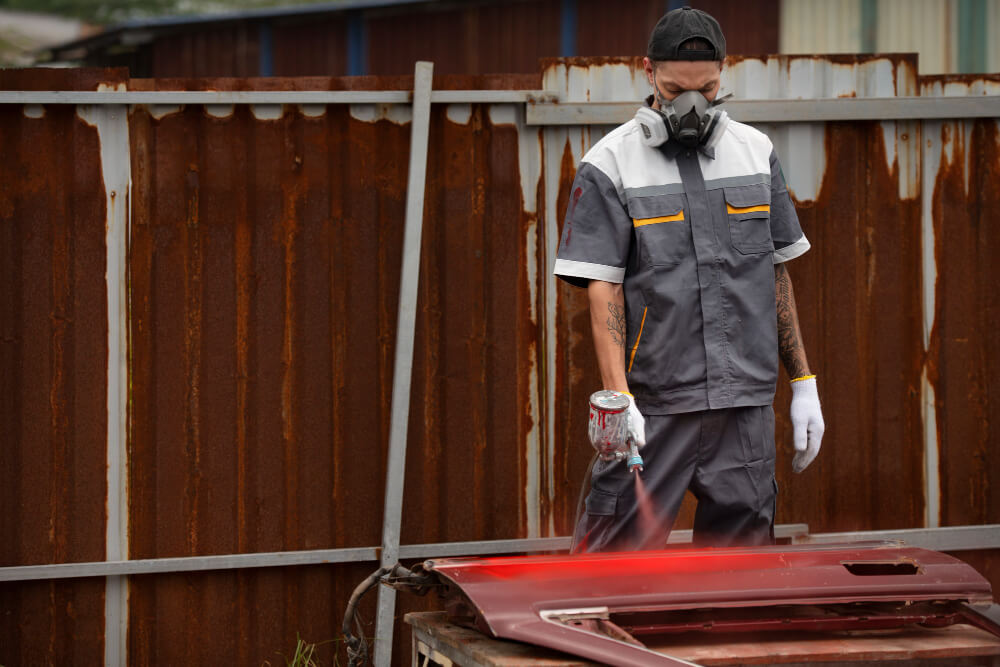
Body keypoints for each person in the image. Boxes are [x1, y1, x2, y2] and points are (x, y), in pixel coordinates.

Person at [553, 6, 825, 551]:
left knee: (740, 573)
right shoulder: (610, 164)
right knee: (613, 562)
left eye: (707, 87)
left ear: (725, 73)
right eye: (676, 88)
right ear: (647, 71)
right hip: (655, 408)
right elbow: (603, 286)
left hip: (742, 407)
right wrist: (617, 397)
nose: (692, 104)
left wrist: (803, 384)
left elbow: (774, 271)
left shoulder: (755, 153)